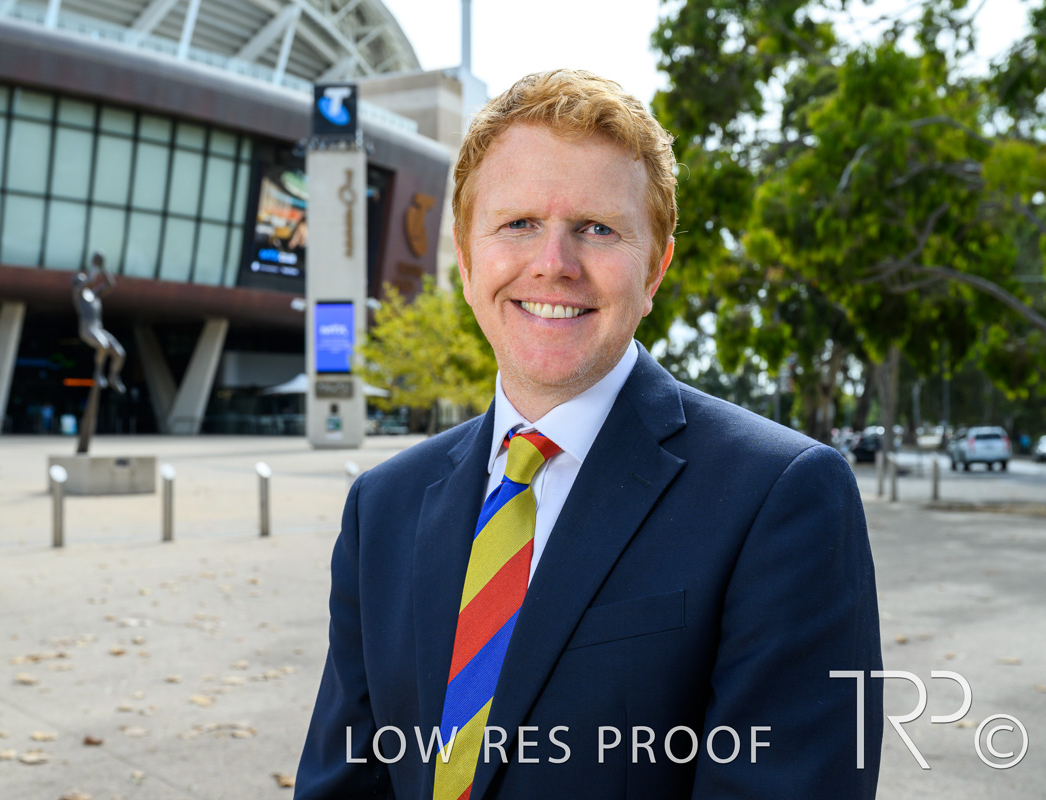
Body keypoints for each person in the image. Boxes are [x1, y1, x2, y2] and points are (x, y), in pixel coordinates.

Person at [297, 70, 883, 799]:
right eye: (518, 223)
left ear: (655, 270)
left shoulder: (781, 497)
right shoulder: (382, 506)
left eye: (598, 229)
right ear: (467, 259)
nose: (554, 264)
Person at [72, 251, 126, 394]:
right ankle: (98, 374)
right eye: (82, 280)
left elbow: (110, 284)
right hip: (87, 329)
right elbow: (90, 280)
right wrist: (95, 266)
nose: (85, 281)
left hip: (98, 328)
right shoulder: (77, 294)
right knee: (103, 345)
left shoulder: (93, 295)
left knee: (120, 353)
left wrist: (103, 268)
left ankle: (113, 377)